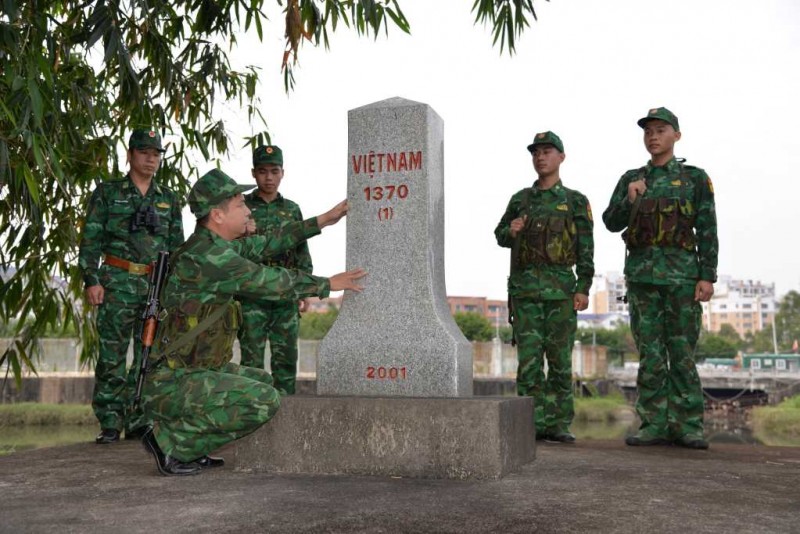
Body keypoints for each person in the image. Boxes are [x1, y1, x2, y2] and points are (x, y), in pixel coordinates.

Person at [139, 168, 366, 476]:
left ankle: (193, 444)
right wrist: (327, 284)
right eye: (240, 205)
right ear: (218, 215)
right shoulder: (207, 257)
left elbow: (268, 243)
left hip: (194, 372)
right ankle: (170, 443)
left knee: (263, 380)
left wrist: (323, 220)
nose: (248, 209)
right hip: (173, 382)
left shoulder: (214, 247)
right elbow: (267, 280)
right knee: (263, 401)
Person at [602, 107, 717, 450]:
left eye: (661, 130)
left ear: (676, 136)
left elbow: (708, 228)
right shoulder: (632, 178)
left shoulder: (695, 178)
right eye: (648, 131)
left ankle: (688, 426)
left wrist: (707, 275)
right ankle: (653, 423)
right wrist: (629, 198)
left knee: (681, 352)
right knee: (651, 353)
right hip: (642, 279)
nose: (653, 136)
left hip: (682, 277)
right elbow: (611, 221)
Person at [78, 128, 184, 444]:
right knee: (111, 354)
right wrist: (91, 280)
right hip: (116, 282)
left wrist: (171, 288)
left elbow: (176, 247)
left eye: (156, 153)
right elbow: (90, 240)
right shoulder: (108, 193)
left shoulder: (168, 199)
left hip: (153, 286)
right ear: (130, 154)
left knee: (147, 355)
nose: (151, 159)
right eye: (144, 152)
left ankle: (139, 419)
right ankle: (110, 421)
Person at [495, 131, 594, 444]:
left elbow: (586, 248)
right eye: (536, 152)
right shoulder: (520, 200)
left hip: (561, 291)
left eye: (548, 151)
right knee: (529, 363)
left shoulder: (575, 201)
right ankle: (530, 424)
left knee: (561, 361)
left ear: (561, 157)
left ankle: (558, 423)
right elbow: (499, 235)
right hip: (525, 292)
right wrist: (510, 230)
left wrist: (584, 286)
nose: (541, 157)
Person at [238, 145, 311, 394]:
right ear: (253, 173)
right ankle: (252, 417)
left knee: (286, 360)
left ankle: (286, 420)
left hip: (285, 291)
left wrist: (305, 290)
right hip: (251, 293)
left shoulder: (292, 209)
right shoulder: (241, 207)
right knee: (251, 360)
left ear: (283, 173)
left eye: (274, 171)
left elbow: (302, 250)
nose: (268, 177)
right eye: (262, 171)